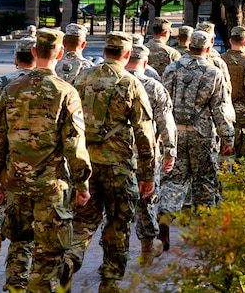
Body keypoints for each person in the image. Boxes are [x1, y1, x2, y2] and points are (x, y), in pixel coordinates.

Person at [0, 28, 91, 293]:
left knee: (19, 246)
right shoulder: (66, 92)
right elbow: (75, 144)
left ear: (34, 52)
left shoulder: (11, 89)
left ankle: (14, 289)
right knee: (48, 254)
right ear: (59, 53)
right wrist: (82, 185)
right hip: (51, 187)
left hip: (15, 183)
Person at [66, 30, 156, 293]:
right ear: (127, 54)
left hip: (85, 165)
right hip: (118, 166)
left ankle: (70, 260)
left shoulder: (81, 78)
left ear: (104, 51)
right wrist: (147, 174)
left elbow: (69, 124)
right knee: (118, 224)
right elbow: (145, 133)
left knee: (82, 221)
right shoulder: (130, 83)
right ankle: (110, 282)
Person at [158, 30, 234, 236]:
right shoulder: (213, 72)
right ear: (208, 48)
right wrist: (227, 136)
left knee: (174, 178)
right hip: (201, 132)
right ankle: (203, 228)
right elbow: (219, 108)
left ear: (189, 46)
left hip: (174, 132)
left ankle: (166, 212)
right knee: (204, 179)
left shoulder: (171, 69)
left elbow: (163, 104)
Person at [0, 36, 37, 273]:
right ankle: (20, 267)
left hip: (4, 155)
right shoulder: (46, 83)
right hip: (37, 159)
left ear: (16, 58)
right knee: (28, 210)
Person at [125, 39, 177, 260]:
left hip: (112, 154)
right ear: (145, 62)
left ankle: (113, 255)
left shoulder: (106, 81)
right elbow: (165, 122)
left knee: (115, 205)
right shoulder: (153, 86)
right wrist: (170, 151)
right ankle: (147, 246)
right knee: (146, 199)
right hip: (145, 153)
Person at [221, 26, 245, 160]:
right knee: (242, 156)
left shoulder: (219, 61)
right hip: (243, 115)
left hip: (222, 113)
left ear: (231, 40)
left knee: (223, 154)